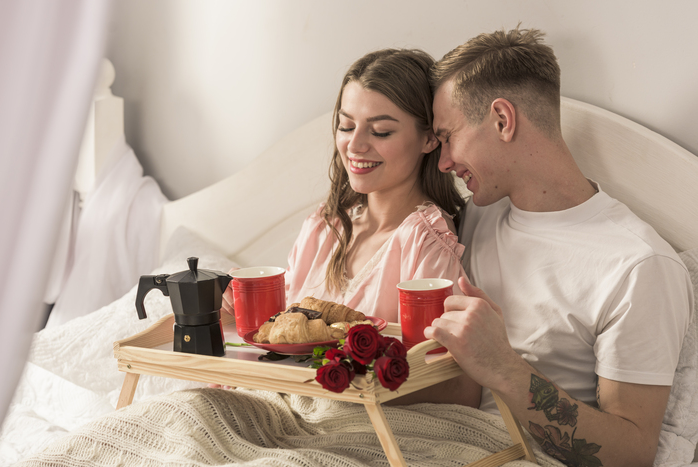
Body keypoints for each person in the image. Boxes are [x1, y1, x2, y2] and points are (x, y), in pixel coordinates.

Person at [418, 27, 693, 467]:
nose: (444, 160)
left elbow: (632, 455)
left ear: (503, 120)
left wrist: (503, 367)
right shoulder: (473, 219)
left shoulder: (636, 264)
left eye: (448, 136)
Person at [220, 48, 481, 406]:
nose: (355, 145)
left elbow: (448, 383)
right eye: (346, 126)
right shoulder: (323, 228)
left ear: (428, 139)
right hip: (288, 404)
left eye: (381, 131)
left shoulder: (426, 242)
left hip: (363, 421)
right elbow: (282, 342)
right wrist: (234, 321)